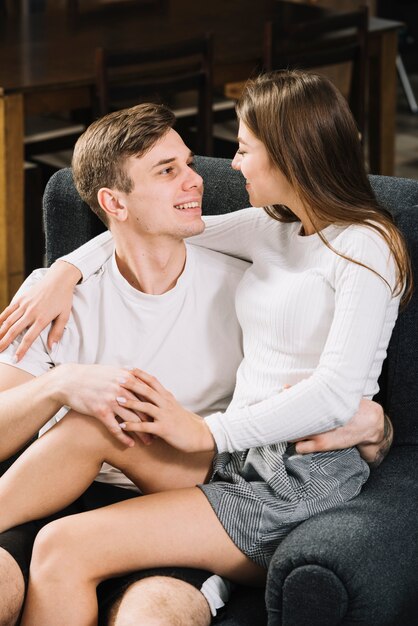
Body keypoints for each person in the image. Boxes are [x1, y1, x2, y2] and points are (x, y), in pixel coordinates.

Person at [0, 68, 404, 625]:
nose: (227, 167)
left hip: (292, 476)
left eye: (242, 149)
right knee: (94, 420)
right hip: (236, 461)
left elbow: (336, 393)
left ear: (289, 153)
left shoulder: (367, 244)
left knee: (62, 546)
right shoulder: (273, 230)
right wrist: (64, 270)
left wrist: (205, 431)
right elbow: (145, 226)